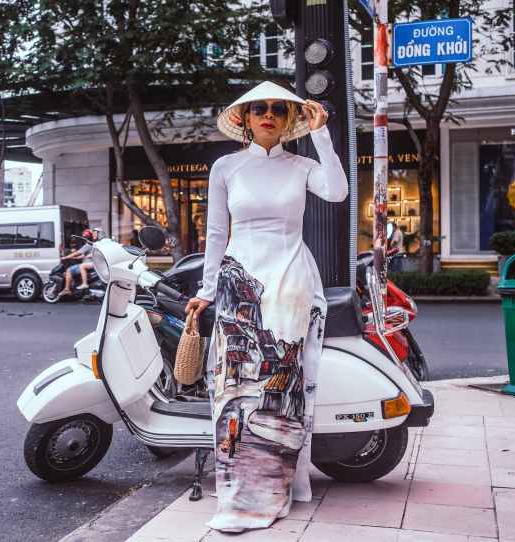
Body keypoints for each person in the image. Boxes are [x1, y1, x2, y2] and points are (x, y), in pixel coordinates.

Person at [184, 81, 348, 532]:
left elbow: (337, 192)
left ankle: (276, 491)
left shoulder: (302, 166)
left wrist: (321, 134)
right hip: (239, 282)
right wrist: (208, 288)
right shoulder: (226, 167)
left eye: (279, 108)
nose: (269, 115)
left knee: (285, 386)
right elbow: (216, 233)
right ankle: (236, 495)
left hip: (290, 278)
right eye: (260, 108)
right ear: (245, 118)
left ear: (289, 118)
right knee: (230, 386)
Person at [58, 229, 95, 297]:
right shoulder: (93, 245)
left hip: (89, 264)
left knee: (69, 270)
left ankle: (67, 289)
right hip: (91, 264)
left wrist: (66, 257)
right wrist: (73, 258)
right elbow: (83, 256)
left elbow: (77, 253)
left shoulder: (88, 245)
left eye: (84, 237)